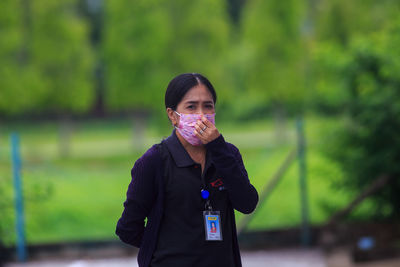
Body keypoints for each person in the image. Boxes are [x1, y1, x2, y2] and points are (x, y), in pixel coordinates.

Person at [116, 73, 258, 267]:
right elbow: (128, 228)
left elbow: (247, 203)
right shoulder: (153, 161)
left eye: (208, 106)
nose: (201, 114)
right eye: (191, 106)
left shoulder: (227, 154)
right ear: (172, 115)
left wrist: (218, 148)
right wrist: (165, 248)